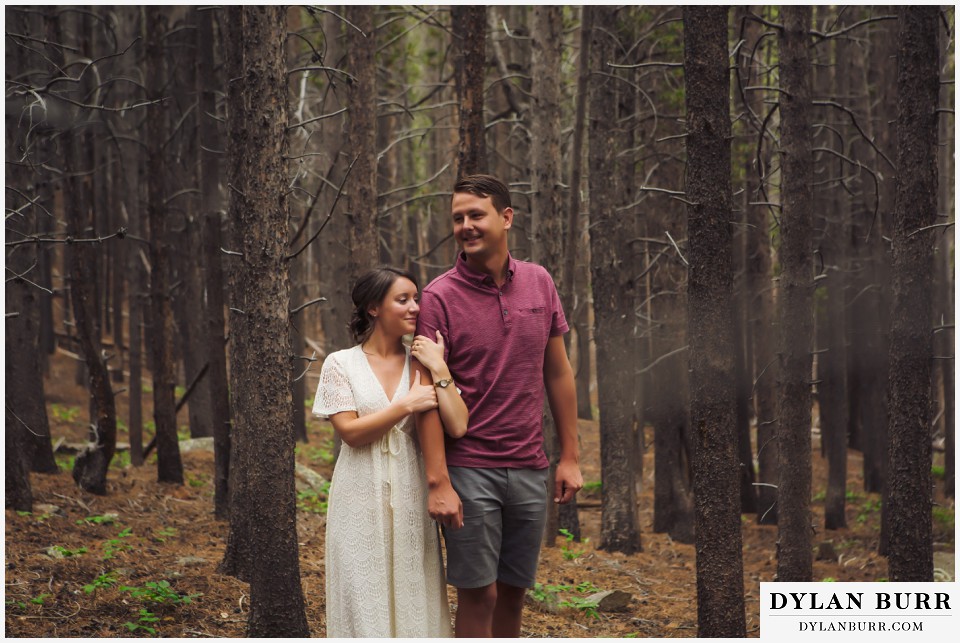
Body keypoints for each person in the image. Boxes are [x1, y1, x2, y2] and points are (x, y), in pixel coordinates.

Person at [413, 174, 584, 637]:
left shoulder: (539, 282)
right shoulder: (438, 297)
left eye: (476, 215)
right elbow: (425, 398)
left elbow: (558, 373)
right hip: (470, 468)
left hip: (530, 466)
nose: (466, 225)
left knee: (513, 592)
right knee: (478, 594)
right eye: (457, 218)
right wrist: (438, 482)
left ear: (506, 218)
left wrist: (569, 456)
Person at [312, 266, 467, 638]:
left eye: (417, 298)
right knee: (363, 593)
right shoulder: (341, 363)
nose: (415, 307)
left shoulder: (422, 363)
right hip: (358, 494)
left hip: (412, 491)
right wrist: (405, 405)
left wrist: (440, 366)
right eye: (403, 300)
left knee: (415, 588)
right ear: (373, 308)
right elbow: (349, 432)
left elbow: (458, 424)